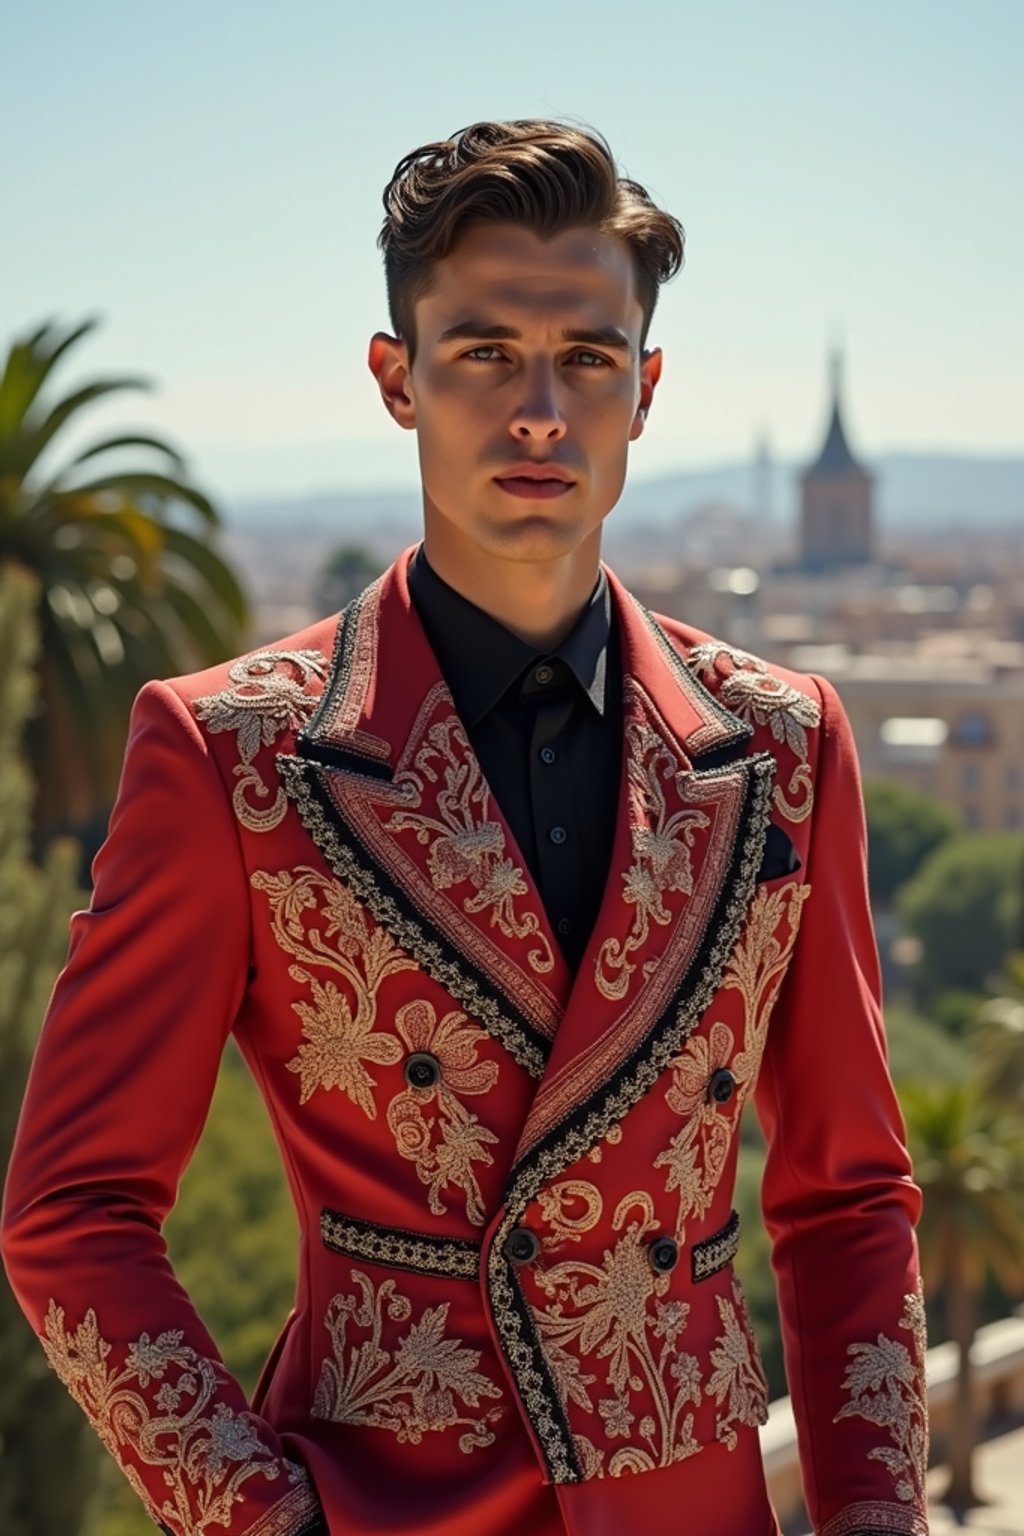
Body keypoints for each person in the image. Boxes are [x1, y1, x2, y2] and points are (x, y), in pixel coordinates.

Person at [1, 118, 929, 1536]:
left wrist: (876, 1516)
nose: (541, 410)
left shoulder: (789, 746)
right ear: (397, 379)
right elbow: (71, 1212)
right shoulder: (233, 757)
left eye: (589, 357)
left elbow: (851, 1197)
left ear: (647, 387)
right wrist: (262, 1515)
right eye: (486, 353)